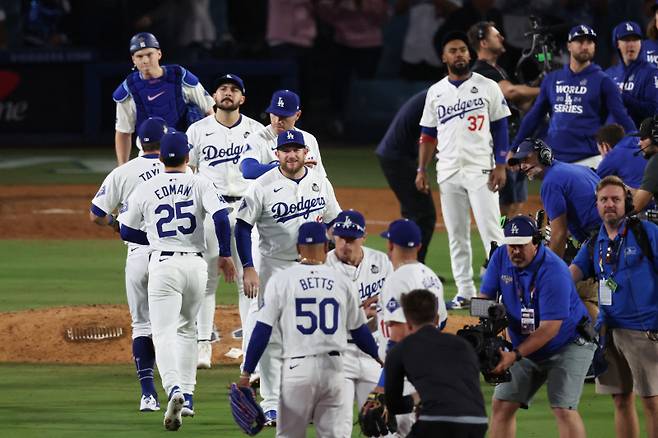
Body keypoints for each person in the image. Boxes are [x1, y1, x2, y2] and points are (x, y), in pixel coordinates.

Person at [118, 130, 236, 431]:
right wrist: (224, 253)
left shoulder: (146, 187)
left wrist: (154, 238)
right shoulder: (200, 182)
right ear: (187, 157)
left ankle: (173, 390)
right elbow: (221, 217)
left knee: (163, 332)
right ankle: (189, 395)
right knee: (188, 329)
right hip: (196, 266)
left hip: (164, 264)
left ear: (159, 157)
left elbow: (125, 231)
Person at [235, 129, 341, 425]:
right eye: (286, 150)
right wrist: (248, 266)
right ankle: (270, 402)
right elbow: (242, 226)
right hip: (274, 265)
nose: (292, 155)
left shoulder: (321, 182)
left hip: (313, 266)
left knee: (312, 330)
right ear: (277, 154)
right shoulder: (262, 185)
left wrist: (336, 256)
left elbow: (334, 220)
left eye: (297, 150)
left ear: (306, 153)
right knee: (269, 332)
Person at [237, 221, 381, 437]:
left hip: (297, 370)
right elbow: (360, 332)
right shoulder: (343, 281)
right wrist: (381, 360)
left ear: (297, 248)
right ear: (326, 247)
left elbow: (262, 331)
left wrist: (247, 373)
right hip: (335, 370)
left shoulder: (280, 280)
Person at [416, 31, 509, 310]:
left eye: (462, 50)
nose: (459, 54)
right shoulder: (436, 92)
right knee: (456, 234)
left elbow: (501, 127)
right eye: (453, 51)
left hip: (481, 168)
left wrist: (501, 164)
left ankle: (501, 290)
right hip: (448, 171)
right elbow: (427, 135)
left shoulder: (488, 86)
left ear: (470, 55)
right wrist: (422, 169)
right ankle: (465, 291)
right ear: (444, 58)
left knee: (492, 232)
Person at [481, 215, 596, 438]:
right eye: (511, 245)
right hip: (524, 343)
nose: (514, 251)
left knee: (563, 408)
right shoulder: (500, 258)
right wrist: (486, 327)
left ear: (536, 242)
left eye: (521, 245)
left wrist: (513, 355)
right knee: (502, 404)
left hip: (568, 343)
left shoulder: (554, 271)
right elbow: (485, 297)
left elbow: (550, 329)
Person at [570, 175, 658, 438]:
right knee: (621, 400)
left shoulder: (646, 232)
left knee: (652, 403)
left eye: (615, 199)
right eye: (604, 199)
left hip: (644, 331)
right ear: (597, 205)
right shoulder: (594, 241)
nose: (610, 204)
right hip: (608, 332)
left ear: (626, 202)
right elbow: (570, 274)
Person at [186, 73, 265, 369]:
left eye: (234, 90)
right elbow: (189, 172)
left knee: (249, 282)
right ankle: (203, 347)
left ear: (242, 98)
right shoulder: (197, 130)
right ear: (214, 96)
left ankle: (249, 350)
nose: (227, 93)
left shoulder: (257, 132)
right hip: (209, 213)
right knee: (207, 282)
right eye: (222, 89)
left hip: (247, 214)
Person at [90, 117, 167, 412]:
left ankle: (148, 394)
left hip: (138, 255)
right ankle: (181, 391)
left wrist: (116, 225)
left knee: (142, 325)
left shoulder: (123, 172)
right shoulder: (181, 171)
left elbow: (96, 214)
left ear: (138, 143)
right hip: (173, 257)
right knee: (175, 327)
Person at [512, 24, 636, 167]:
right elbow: (534, 116)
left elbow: (622, 117)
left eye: (589, 42)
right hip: (554, 159)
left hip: (589, 159)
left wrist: (638, 142)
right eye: (580, 41)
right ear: (569, 46)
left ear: (594, 46)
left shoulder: (604, 81)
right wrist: (515, 147)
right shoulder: (552, 79)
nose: (585, 46)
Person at [508, 138, 601, 321]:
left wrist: (548, 270)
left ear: (544, 154)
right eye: (520, 163)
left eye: (526, 159)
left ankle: (593, 339)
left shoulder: (551, 182)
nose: (523, 166)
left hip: (601, 238)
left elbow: (558, 234)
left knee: (560, 286)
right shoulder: (575, 169)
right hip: (610, 235)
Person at [372, 218, 449, 436]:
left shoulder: (397, 279)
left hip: (404, 375)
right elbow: (440, 321)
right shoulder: (431, 277)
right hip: (426, 373)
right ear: (418, 247)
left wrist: (383, 386)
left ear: (390, 245)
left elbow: (399, 337)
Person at [324, 209, 393, 437]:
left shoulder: (381, 262)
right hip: (338, 357)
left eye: (351, 239)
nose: (345, 244)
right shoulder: (323, 267)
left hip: (374, 356)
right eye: (340, 238)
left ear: (363, 237)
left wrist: (379, 309)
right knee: (337, 429)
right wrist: (359, 316)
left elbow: (393, 306)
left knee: (380, 425)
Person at [385, 289, 488, 438]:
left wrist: (416, 398)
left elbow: (394, 405)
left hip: (435, 422)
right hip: (477, 421)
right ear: (437, 318)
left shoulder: (400, 350)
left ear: (407, 321)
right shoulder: (463, 345)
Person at [468, 20, 540, 218]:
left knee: (516, 202)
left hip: (514, 143)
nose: (502, 38)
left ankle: (509, 241)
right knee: (504, 206)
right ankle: (500, 244)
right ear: (483, 43)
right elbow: (511, 91)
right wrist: (546, 88)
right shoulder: (481, 71)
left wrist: (537, 92)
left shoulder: (498, 70)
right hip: (499, 147)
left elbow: (520, 103)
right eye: (495, 35)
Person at [113, 32, 214, 165]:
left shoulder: (180, 77)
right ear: (133, 59)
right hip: (149, 158)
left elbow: (209, 114)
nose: (145, 60)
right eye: (139, 56)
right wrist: (122, 167)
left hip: (185, 154)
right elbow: (123, 132)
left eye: (149, 54)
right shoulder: (129, 88)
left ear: (159, 54)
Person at [375, 89, 437, 263]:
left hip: (396, 156)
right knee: (424, 215)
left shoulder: (433, 94)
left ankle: (402, 262)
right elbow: (432, 136)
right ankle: (414, 265)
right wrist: (421, 170)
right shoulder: (438, 97)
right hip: (397, 158)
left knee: (414, 214)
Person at [238, 89, 326, 180]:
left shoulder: (309, 139)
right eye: (274, 114)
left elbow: (321, 178)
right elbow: (248, 170)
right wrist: (291, 167)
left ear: (297, 115)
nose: (277, 120)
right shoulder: (257, 138)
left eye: (284, 115)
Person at [605, 21, 658, 127]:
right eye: (626, 40)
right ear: (617, 43)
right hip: (611, 139)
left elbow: (654, 110)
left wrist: (622, 97)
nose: (631, 44)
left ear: (641, 43)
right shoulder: (608, 74)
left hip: (636, 138)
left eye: (635, 39)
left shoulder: (651, 73)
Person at [595, 124, 647, 190]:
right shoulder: (643, 143)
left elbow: (594, 180)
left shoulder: (613, 155)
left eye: (600, 152)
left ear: (605, 146)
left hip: (644, 197)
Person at [632, 117, 658, 214]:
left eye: (643, 138)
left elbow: (635, 206)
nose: (639, 143)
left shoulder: (655, 162)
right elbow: (647, 194)